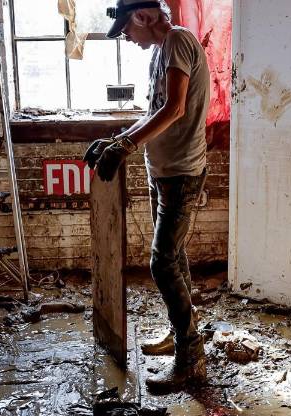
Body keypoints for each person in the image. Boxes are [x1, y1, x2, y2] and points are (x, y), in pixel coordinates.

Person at [86, 0, 211, 393]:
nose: (126, 36)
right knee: (175, 256)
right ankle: (182, 333)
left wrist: (124, 148)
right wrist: (120, 139)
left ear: (142, 16)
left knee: (161, 263)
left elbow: (175, 109)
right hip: (163, 171)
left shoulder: (177, 41)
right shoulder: (161, 52)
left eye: (126, 28)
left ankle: (191, 359)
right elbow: (154, 110)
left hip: (182, 172)